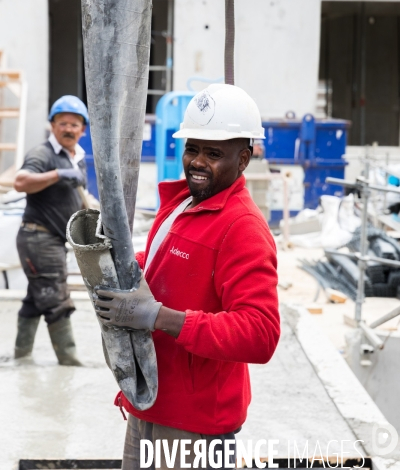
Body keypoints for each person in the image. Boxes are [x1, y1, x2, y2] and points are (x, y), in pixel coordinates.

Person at [95, 84, 280, 469]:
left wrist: (158, 317)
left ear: (243, 159)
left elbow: (260, 333)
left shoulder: (241, 228)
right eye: (192, 148)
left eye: (214, 153)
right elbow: (165, 262)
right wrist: (120, 268)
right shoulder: (183, 203)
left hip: (194, 430)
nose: (198, 162)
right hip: (149, 404)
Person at [13, 95, 89, 366]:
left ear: (83, 129)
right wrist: (58, 174)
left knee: (36, 299)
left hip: (54, 239)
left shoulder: (77, 157)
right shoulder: (43, 154)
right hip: (39, 237)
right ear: (52, 126)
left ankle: (20, 359)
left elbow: (81, 199)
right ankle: (70, 365)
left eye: (75, 124)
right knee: (56, 301)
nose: (69, 129)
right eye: (63, 123)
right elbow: (20, 181)